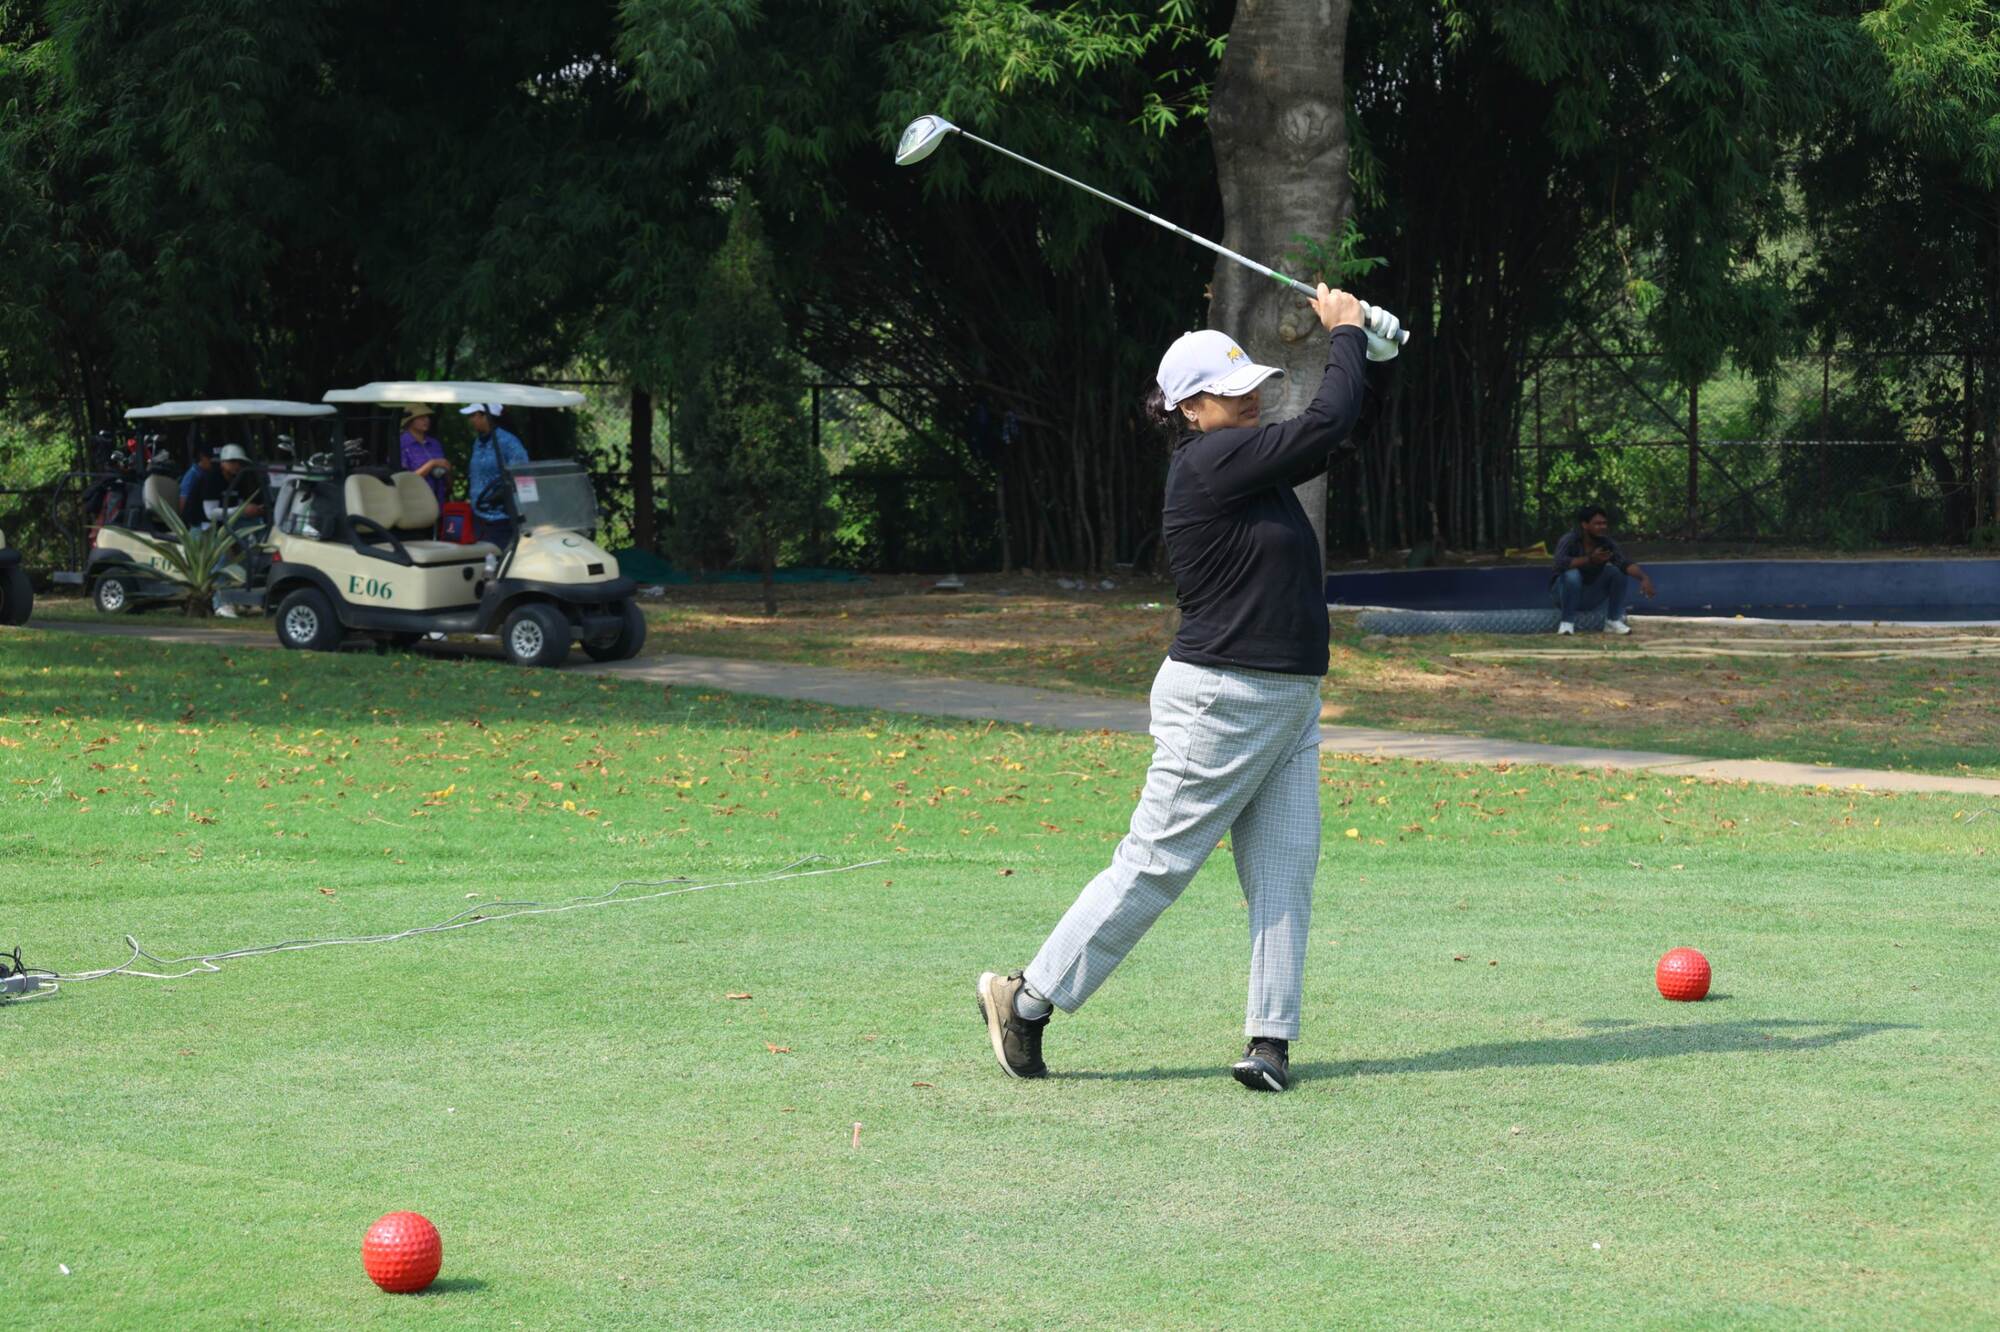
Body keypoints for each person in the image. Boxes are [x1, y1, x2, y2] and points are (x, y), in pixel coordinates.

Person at [977, 283, 1371, 1094]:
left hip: (1288, 703)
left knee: (1285, 871)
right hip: (1222, 700)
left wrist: (1374, 350)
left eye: (1254, 386)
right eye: (1232, 393)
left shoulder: (1248, 465)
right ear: (1191, 409)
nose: (1253, 398)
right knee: (1156, 863)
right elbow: (1328, 421)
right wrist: (1348, 333)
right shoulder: (1210, 462)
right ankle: (1028, 996)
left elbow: (1336, 433)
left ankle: (1270, 1043)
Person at [1549, 505, 1654, 634]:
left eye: (1604, 523)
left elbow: (1624, 563)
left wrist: (1644, 578)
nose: (1602, 527)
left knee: (1617, 572)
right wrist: (1590, 559)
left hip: (1590, 594)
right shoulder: (1570, 540)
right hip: (1562, 594)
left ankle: (1613, 620)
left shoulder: (1606, 543)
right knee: (1572, 574)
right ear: (1585, 525)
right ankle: (1567, 623)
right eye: (1597, 524)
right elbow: (1559, 564)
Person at [463, 402, 528, 547]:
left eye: (473, 415)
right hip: (479, 516)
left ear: (486, 416)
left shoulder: (509, 442)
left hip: (500, 518)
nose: (470, 420)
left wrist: (501, 496)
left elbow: (523, 475)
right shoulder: (478, 442)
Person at [195, 444, 271, 532]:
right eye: (233, 461)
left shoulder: (238, 480)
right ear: (222, 462)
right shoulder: (211, 479)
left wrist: (254, 510)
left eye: (240, 462)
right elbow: (210, 514)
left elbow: (239, 504)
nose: (237, 465)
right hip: (204, 527)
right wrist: (241, 510)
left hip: (227, 526)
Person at [398, 406, 451, 508]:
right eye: (421, 417)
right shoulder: (401, 444)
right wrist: (431, 464)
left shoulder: (435, 443)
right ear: (410, 421)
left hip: (438, 502)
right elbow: (403, 480)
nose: (426, 420)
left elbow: (448, 483)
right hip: (414, 505)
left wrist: (448, 471)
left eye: (427, 416)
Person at [178, 442, 216, 523]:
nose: (213, 462)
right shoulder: (192, 476)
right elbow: (183, 505)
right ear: (202, 457)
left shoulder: (208, 474)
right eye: (210, 459)